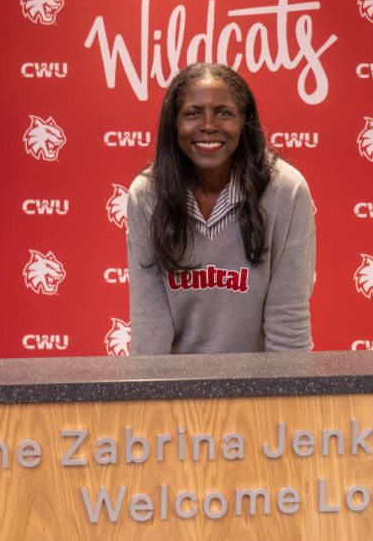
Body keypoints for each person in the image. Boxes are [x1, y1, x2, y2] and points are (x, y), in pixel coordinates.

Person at [126, 63, 315, 355]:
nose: (209, 125)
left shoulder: (285, 191)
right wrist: (150, 398)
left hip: (259, 390)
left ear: (244, 121)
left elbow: (288, 322)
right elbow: (150, 326)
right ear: (173, 124)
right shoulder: (148, 194)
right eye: (192, 113)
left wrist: (284, 400)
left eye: (224, 112)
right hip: (177, 392)